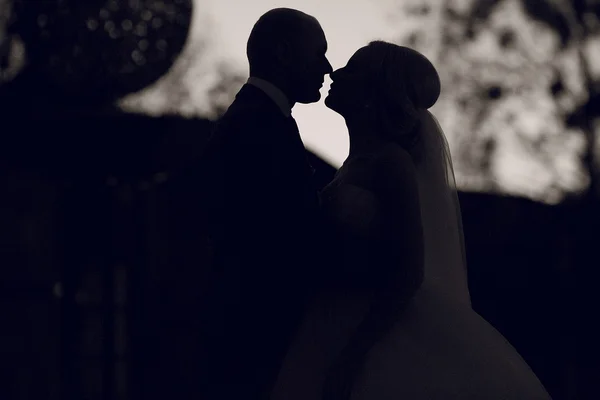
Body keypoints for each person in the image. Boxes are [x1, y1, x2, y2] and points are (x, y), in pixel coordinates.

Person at [270, 41, 552, 400]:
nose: (336, 73)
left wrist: (355, 354)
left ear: (374, 92)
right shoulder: (353, 163)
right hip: (329, 319)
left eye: (352, 69)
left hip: (375, 333)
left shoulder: (392, 164)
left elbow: (408, 272)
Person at [198, 8, 333, 400]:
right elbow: (278, 238)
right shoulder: (256, 126)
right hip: (254, 334)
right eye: (318, 53)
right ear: (284, 52)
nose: (327, 68)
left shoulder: (262, 119)